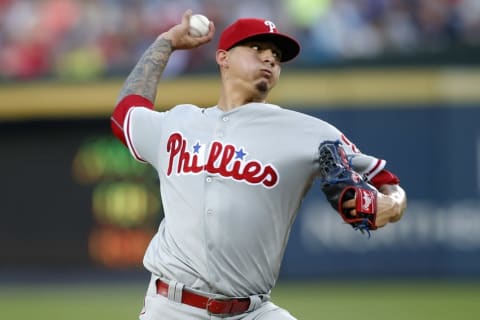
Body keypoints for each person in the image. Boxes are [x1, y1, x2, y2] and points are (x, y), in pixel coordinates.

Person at [110, 10, 407, 320]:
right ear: (222, 58)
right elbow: (125, 115)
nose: (269, 59)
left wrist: (389, 204)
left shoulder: (310, 132)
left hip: (252, 311)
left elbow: (389, 184)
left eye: (276, 56)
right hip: (171, 307)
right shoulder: (177, 123)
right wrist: (166, 42)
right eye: (256, 49)